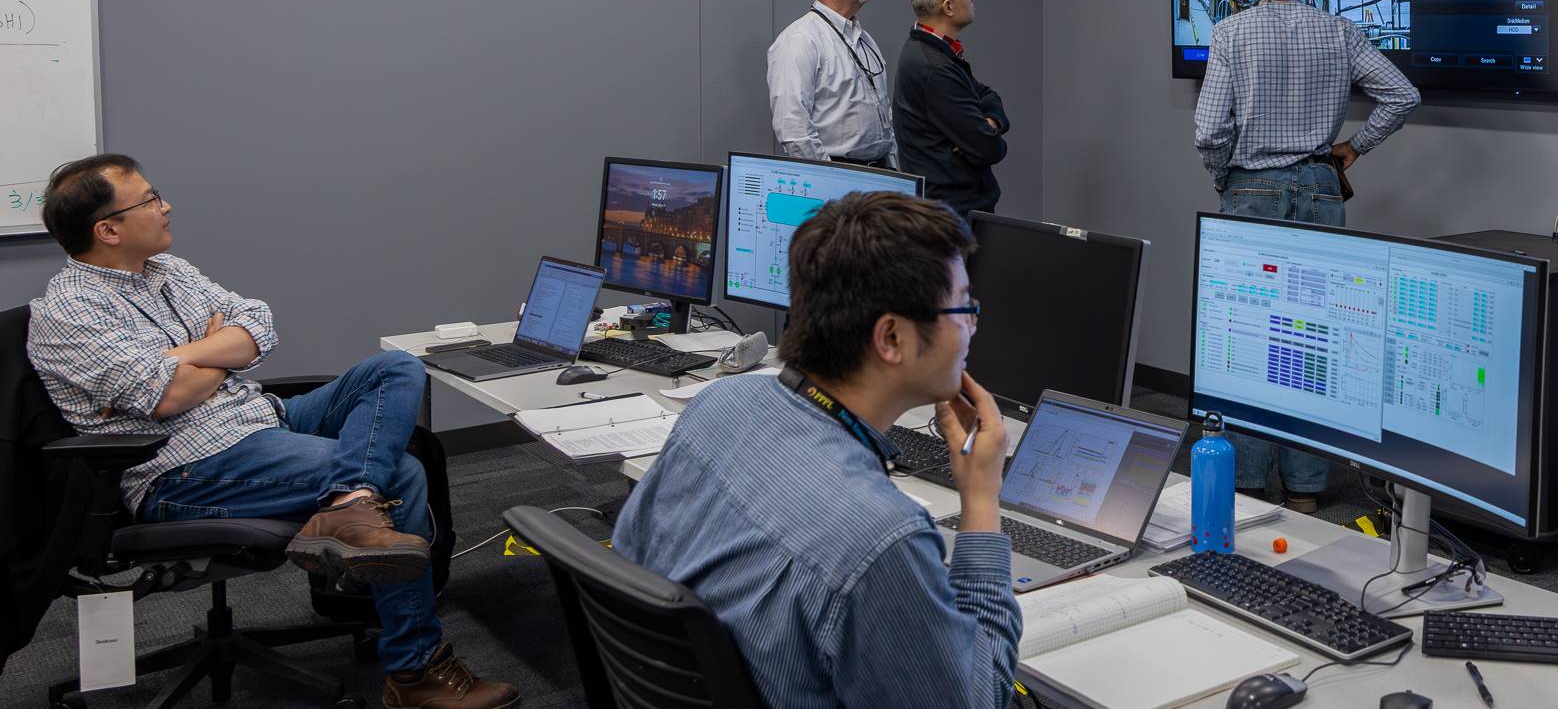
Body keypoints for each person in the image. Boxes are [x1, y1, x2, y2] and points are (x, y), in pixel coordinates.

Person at [25, 154, 518, 709]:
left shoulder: (169, 271)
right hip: (186, 469)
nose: (165, 206)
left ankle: (350, 502)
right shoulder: (66, 313)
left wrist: (180, 358)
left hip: (260, 418)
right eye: (148, 200)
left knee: (397, 367)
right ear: (107, 230)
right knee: (401, 472)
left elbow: (257, 324)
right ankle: (415, 673)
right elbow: (167, 396)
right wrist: (214, 353)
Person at [614, 192, 1020, 707]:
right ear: (891, 337)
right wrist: (981, 501)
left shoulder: (721, 402)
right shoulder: (883, 539)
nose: (972, 327)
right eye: (963, 309)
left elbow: (629, 560)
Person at [1193, 0, 1421, 512]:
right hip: (1321, 188)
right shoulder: (1340, 32)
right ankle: (1306, 492)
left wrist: (1228, 178)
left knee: (1242, 340)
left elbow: (1209, 130)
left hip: (1251, 189)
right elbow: (1402, 95)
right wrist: (1354, 148)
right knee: (1317, 339)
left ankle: (1243, 485)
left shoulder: (1229, 33)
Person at [893, 0, 1010, 215]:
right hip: (953, 217)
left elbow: (987, 95)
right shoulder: (936, 68)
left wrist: (990, 122)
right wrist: (986, 132)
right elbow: (989, 148)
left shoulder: (930, 51)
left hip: (947, 210)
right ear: (948, 7)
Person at [767, 0, 899, 168]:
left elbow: (884, 112)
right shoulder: (800, 40)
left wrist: (893, 167)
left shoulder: (864, 38)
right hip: (840, 177)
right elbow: (793, 128)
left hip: (881, 173)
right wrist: (827, 178)